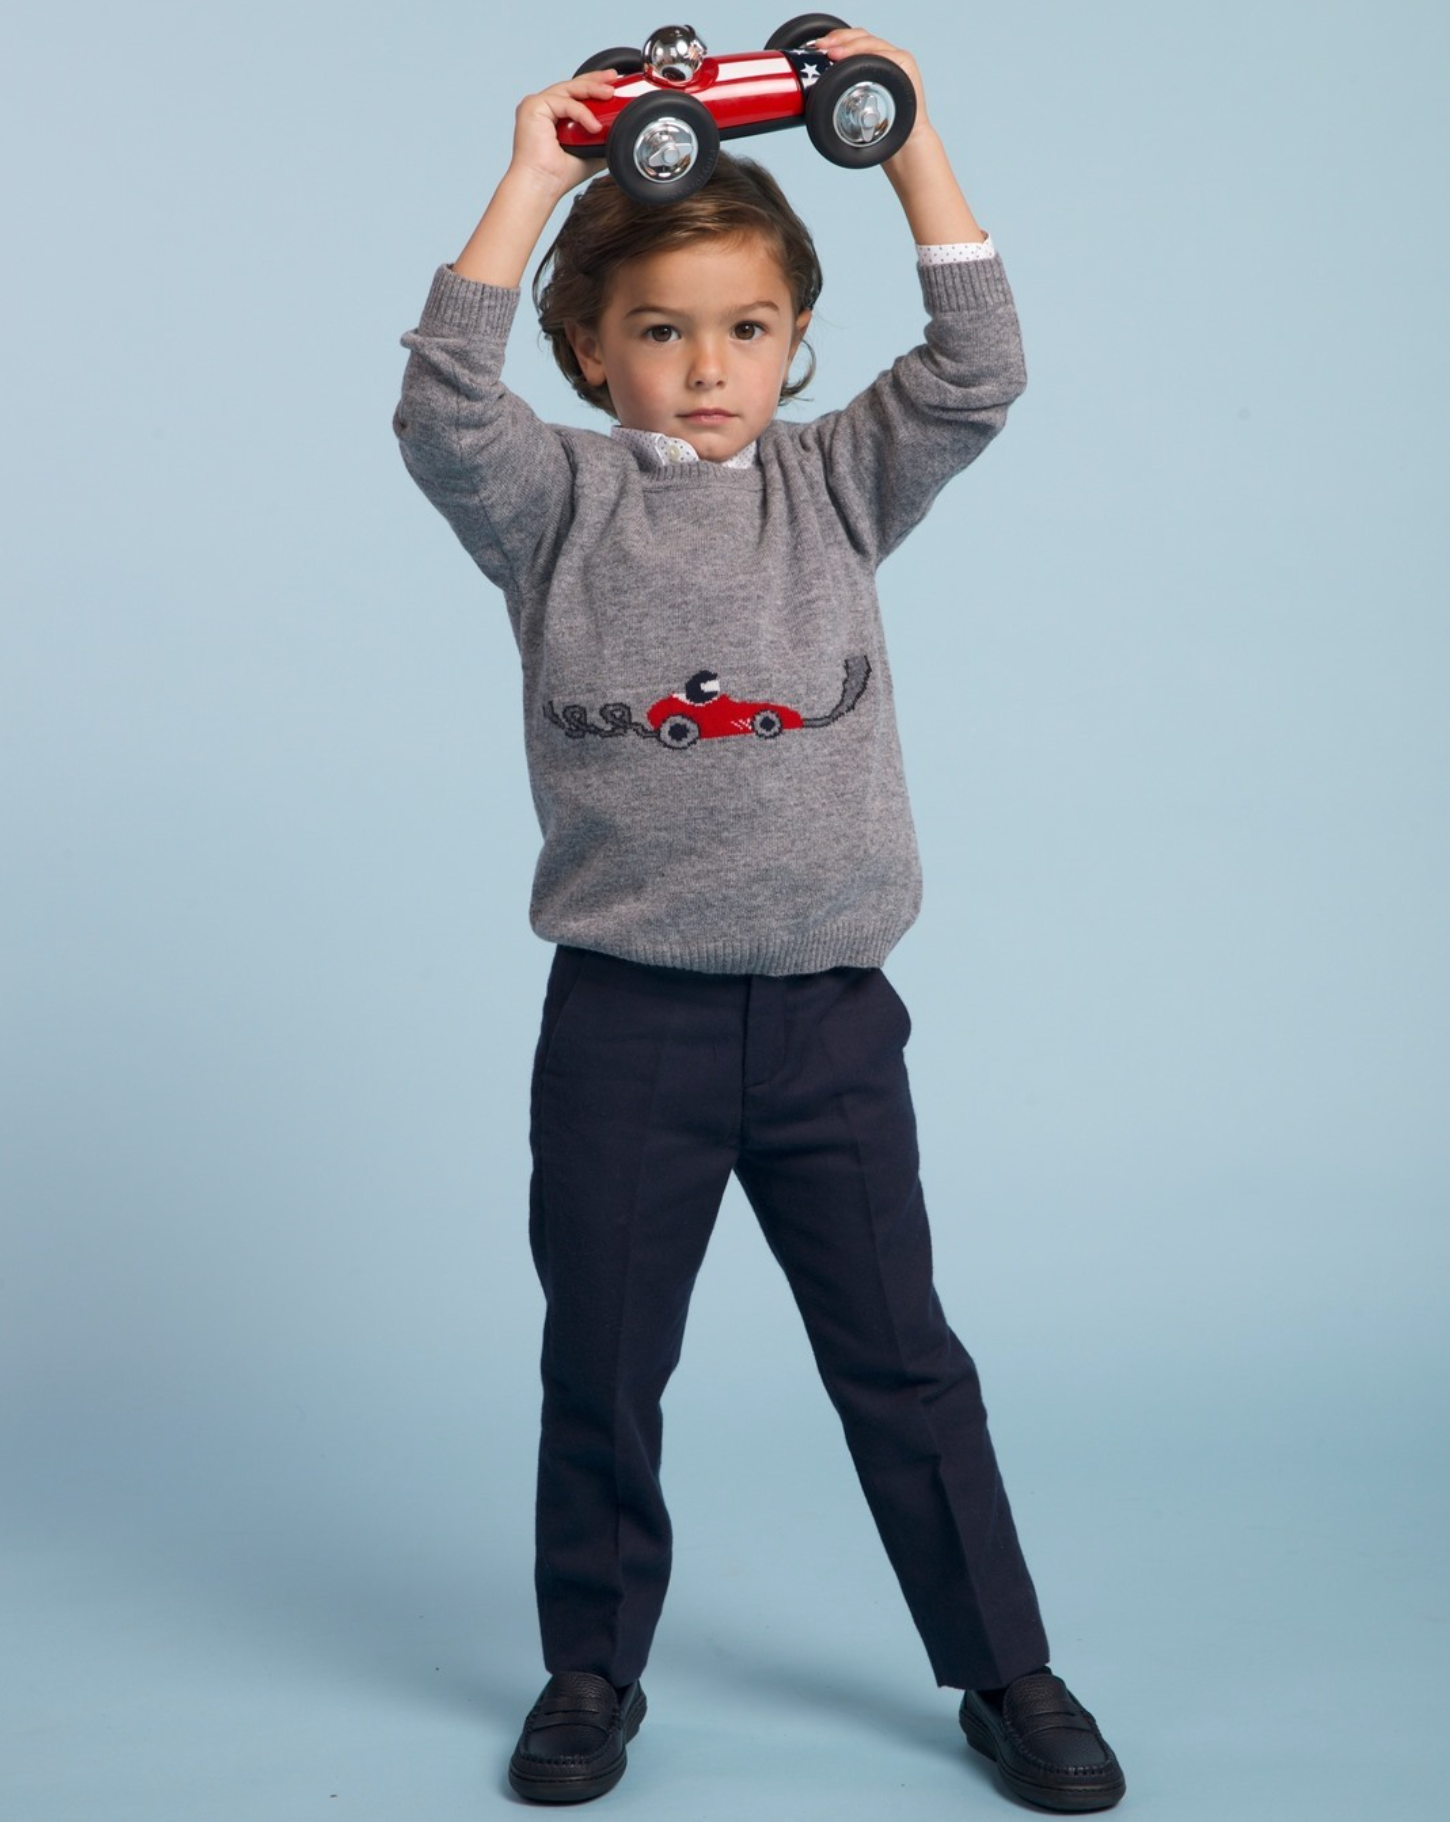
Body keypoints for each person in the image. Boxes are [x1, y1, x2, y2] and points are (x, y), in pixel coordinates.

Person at [395, 27, 1125, 1812]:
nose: (706, 365)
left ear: (795, 339)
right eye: (659, 330)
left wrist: (904, 136)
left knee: (902, 1361)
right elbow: (440, 410)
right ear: (591, 349)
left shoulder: (838, 480)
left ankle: (1004, 1664)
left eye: (743, 329)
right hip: (625, 1024)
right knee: (603, 1364)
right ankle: (590, 1668)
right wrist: (533, 176)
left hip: (826, 1022)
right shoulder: (552, 505)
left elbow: (979, 364)